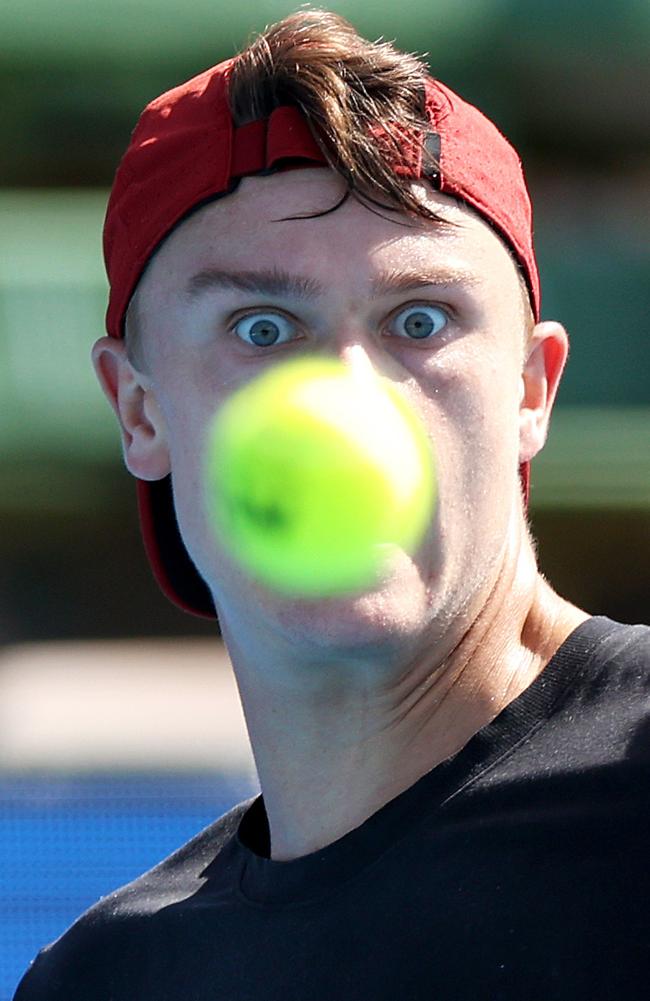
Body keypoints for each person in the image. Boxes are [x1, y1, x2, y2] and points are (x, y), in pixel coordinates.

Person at [14, 9, 649, 1000]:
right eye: (261, 327)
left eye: (418, 320)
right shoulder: (107, 981)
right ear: (139, 411)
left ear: (528, 391)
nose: (348, 396)